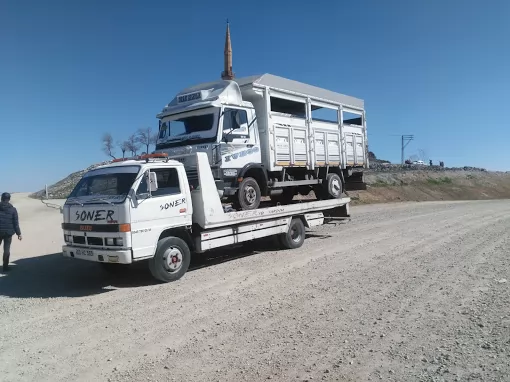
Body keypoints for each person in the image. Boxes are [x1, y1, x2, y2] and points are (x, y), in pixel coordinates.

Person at [0, 192, 22, 272]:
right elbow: (16, 223)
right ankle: (5, 267)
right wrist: (19, 233)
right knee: (6, 250)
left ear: (1, 198)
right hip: (8, 233)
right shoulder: (13, 209)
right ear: (9, 199)